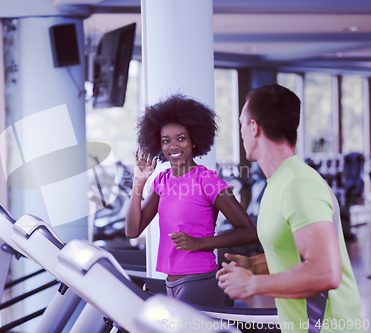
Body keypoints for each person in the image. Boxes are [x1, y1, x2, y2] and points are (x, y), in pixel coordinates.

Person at [217, 84, 364, 332]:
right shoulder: (279, 182)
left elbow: (326, 272)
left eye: (242, 124)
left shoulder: (299, 185)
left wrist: (252, 285)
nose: (241, 132)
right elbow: (294, 253)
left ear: (254, 128)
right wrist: (254, 267)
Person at [125, 94, 258, 307]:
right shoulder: (161, 181)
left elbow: (249, 232)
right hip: (170, 284)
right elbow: (133, 231)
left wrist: (200, 243)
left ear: (194, 140)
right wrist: (139, 182)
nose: (173, 146)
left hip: (200, 281)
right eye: (166, 141)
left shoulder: (207, 180)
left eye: (181, 138)